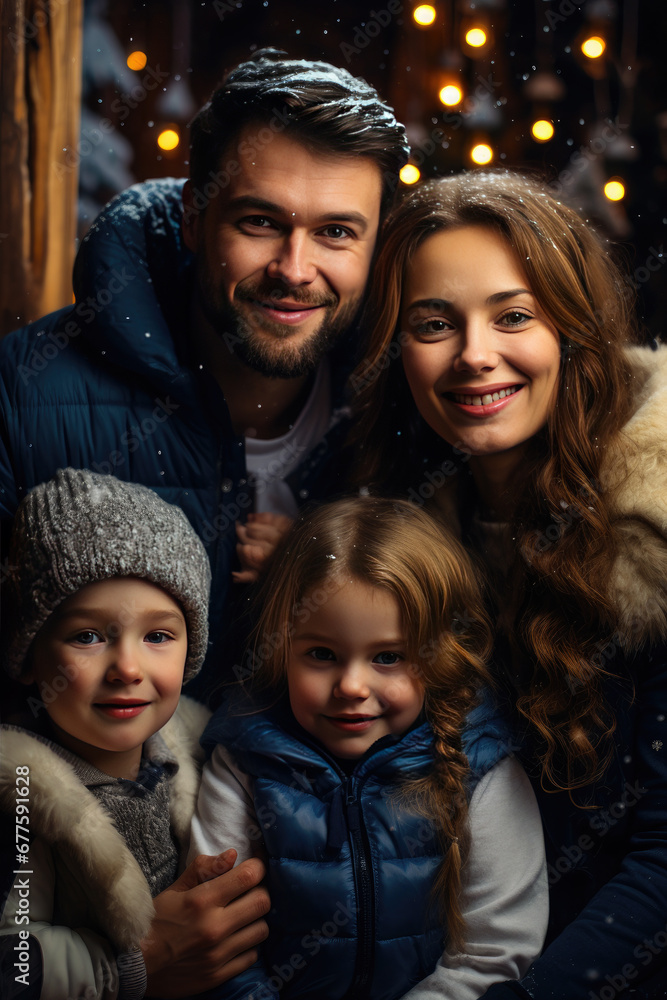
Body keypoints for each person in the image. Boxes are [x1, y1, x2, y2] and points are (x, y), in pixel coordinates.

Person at [0, 48, 409, 705]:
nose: (294, 269)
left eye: (335, 232)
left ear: (377, 245)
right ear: (193, 216)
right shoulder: (20, 394)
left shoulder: (413, 409)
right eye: (260, 223)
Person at [352, 169, 667, 999]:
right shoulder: (402, 526)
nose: (473, 354)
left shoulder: (654, 543)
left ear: (573, 330)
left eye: (513, 315)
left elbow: (664, 865)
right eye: (433, 323)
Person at [190, 496, 548, 1000]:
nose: (352, 685)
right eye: (321, 654)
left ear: (440, 654)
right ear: (280, 646)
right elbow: (217, 942)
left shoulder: (480, 766)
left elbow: (496, 949)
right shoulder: (244, 762)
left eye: (387, 656)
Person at [0, 468, 269, 999]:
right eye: (88, 636)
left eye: (158, 635)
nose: (128, 667)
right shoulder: (23, 795)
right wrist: (125, 968)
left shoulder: (206, 750)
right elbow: (13, 965)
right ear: (30, 657)